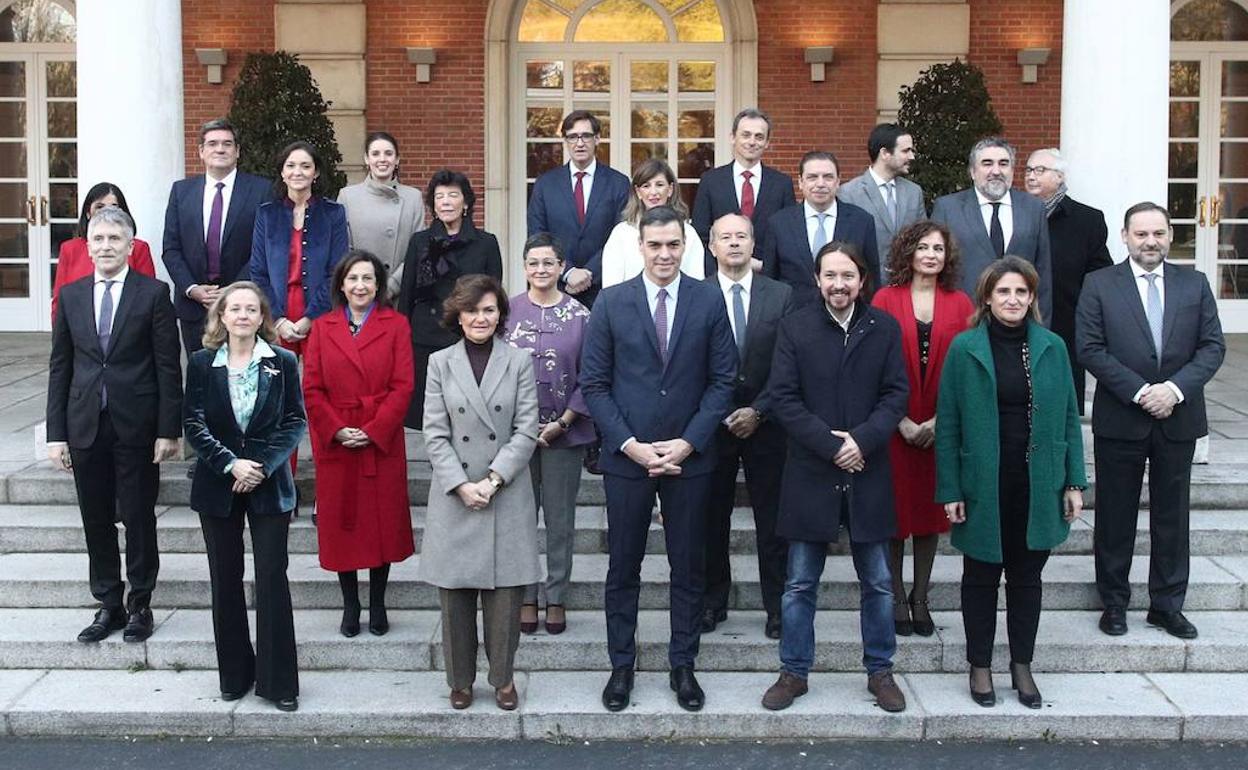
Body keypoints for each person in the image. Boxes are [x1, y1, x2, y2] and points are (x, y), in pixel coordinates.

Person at [581, 205, 738, 714]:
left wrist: (689, 442)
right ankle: (621, 666)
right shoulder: (611, 301)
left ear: (686, 247)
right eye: (655, 245)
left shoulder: (708, 299)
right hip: (628, 458)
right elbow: (594, 384)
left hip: (689, 458)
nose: (664, 254)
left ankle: (682, 665)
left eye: (673, 245)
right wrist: (630, 444)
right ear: (641, 247)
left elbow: (723, 381)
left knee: (688, 567)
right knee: (623, 567)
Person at [760, 242, 909, 714]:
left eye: (847, 276)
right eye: (830, 276)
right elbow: (783, 398)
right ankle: (794, 672)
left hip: (869, 470)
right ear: (817, 279)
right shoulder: (796, 326)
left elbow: (895, 395)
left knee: (879, 583)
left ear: (862, 280)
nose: (839, 285)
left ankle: (880, 672)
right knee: (800, 583)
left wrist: (860, 441)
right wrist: (832, 446)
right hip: (811, 471)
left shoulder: (884, 328)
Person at [935, 256, 1086, 709]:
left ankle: (1022, 664)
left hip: (1037, 481)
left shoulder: (1052, 347)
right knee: (980, 577)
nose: (1013, 299)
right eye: (1003, 291)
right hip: (983, 482)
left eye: (1022, 291)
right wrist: (950, 489)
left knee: (1027, 579)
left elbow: (1069, 417)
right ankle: (979, 666)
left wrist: (1074, 481)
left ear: (1032, 297)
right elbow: (949, 423)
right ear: (987, 297)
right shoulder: (965, 348)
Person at [1077, 202, 1226, 641]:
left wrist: (1173, 390)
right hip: (1122, 416)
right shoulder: (1099, 284)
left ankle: (1167, 606)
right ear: (1125, 236)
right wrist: (1142, 391)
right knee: (1114, 515)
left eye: (1158, 233)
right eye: (1141, 234)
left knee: (1172, 517)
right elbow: (1089, 347)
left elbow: (1212, 347)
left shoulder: (1195, 284)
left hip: (1178, 417)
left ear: (1170, 236)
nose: (1150, 242)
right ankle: (1114, 603)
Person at [45, 207, 182, 644]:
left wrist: (168, 429)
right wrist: (55, 434)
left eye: (114, 239)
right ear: (87, 246)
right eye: (98, 239)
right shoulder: (71, 295)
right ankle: (109, 602)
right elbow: (60, 367)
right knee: (96, 517)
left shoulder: (154, 294)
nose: (105, 246)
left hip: (136, 424)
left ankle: (141, 602)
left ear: (130, 245)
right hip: (85, 423)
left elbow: (167, 366)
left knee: (139, 516)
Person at [183, 281, 305, 712]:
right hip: (218, 485)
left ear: (261, 317)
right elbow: (193, 423)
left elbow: (294, 421)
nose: (242, 315)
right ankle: (234, 675)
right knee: (225, 579)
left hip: (269, 486)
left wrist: (261, 466)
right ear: (221, 316)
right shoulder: (201, 363)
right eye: (234, 308)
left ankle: (279, 682)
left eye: (251, 309)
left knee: (272, 578)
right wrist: (230, 464)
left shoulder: (282, 362)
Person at [421, 274, 541, 712]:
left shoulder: (519, 360)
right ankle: (460, 681)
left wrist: (492, 480)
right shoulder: (439, 362)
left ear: (500, 315)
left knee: (506, 596)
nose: (480, 318)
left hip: (504, 490)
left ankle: (503, 678)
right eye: (472, 310)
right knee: (454, 597)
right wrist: (461, 484)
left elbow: (527, 429)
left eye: (489, 310)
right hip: (455, 492)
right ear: (458, 315)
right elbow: (435, 433)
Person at [302, 250, 415, 638]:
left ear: (378, 285)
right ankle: (350, 604)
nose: (360, 286)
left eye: (368, 278)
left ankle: (378, 603)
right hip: (337, 442)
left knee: (381, 524)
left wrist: (375, 427)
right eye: (353, 279)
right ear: (341, 285)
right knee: (343, 526)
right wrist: (336, 429)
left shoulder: (396, 325)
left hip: (380, 441)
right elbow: (312, 388)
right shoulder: (322, 327)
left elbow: (403, 385)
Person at [871, 220, 973, 638]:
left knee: (931, 515)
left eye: (938, 249)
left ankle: (921, 597)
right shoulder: (884, 298)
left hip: (941, 426)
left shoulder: (961, 302)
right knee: (896, 514)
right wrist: (899, 420)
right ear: (908, 252)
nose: (931, 255)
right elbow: (872, 365)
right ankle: (896, 597)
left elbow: (967, 370)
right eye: (923, 247)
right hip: (893, 424)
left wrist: (939, 422)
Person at [701, 213, 793, 639]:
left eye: (742, 236)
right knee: (711, 519)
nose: (734, 243)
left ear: (754, 244)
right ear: (711, 246)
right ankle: (712, 601)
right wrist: (720, 411)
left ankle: (777, 607)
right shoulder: (695, 294)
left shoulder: (782, 295)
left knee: (773, 522)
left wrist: (759, 410)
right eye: (726, 237)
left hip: (768, 424)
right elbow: (689, 364)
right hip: (712, 425)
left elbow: (790, 363)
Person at [504, 233, 594, 636]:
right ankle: (526, 594)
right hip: (515, 435)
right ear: (524, 268)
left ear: (561, 267)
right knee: (521, 519)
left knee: (560, 520)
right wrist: (521, 424)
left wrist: (565, 421)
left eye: (548, 263)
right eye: (533, 263)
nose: (540, 269)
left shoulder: (581, 316)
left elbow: (593, 373)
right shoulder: (507, 312)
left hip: (565, 433)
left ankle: (556, 596)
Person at [397, 169, 502, 428]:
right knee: (431, 419)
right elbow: (407, 293)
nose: (445, 202)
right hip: (426, 339)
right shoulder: (420, 242)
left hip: (468, 337)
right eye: (439, 196)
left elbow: (494, 295)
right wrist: (402, 339)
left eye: (453, 195)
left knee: (468, 417)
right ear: (433, 204)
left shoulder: (486, 243)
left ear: (465, 203)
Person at [162, 118, 271, 355]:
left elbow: (264, 248)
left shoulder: (261, 190)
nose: (220, 149)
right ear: (201, 151)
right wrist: (191, 288)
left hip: (244, 306)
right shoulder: (181, 191)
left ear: (237, 151)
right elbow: (171, 248)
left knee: (243, 372)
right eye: (212, 144)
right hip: (194, 307)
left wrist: (235, 290)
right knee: (200, 373)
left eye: (227, 144)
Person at [1024, 148, 1112, 413]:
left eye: (1040, 170)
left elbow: (1099, 274)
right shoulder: (1015, 213)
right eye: (1028, 170)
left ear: (1060, 176)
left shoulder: (1088, 220)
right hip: (1018, 316)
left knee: (1062, 404)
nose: (1031, 176)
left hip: (1067, 321)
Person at [931, 137, 1052, 323]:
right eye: (987, 163)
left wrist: (1041, 327)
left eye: (1003, 164)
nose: (996, 171)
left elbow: (1043, 271)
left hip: (1019, 322)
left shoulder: (1033, 208)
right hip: (963, 320)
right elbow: (935, 271)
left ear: (1012, 170)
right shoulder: (948, 208)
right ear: (973, 171)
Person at [249, 140, 349, 359]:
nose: (298, 172)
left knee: (322, 376)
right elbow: (258, 271)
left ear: (316, 173)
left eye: (305, 166)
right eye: (291, 166)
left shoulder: (333, 213)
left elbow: (338, 271)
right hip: (276, 311)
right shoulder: (267, 214)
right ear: (282, 173)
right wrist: (277, 319)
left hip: (322, 310)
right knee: (279, 376)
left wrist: (310, 317)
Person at [526, 110, 631, 308]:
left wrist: (589, 272)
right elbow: (538, 235)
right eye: (573, 137)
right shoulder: (546, 184)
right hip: (557, 288)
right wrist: (568, 272)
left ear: (597, 139)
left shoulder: (618, 183)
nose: (579, 143)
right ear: (565, 141)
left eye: (586, 136)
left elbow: (622, 236)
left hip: (604, 288)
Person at [761, 151, 879, 305]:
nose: (820, 184)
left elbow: (872, 278)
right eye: (812, 177)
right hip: (794, 314)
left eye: (828, 177)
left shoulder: (861, 221)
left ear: (838, 181)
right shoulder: (779, 223)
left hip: (846, 312)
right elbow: (769, 280)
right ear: (800, 182)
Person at [692, 108, 795, 275]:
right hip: (720, 277)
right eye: (746, 135)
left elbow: (787, 236)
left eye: (759, 137)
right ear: (733, 137)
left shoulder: (782, 184)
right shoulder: (711, 181)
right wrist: (716, 271)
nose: (752, 142)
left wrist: (765, 267)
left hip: (768, 279)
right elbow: (700, 234)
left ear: (767, 142)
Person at [52, 182, 156, 325]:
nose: (107, 212)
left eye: (114, 207)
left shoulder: (138, 248)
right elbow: (59, 302)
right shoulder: (69, 249)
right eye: (99, 207)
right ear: (88, 213)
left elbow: (149, 298)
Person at [336, 131, 426, 294]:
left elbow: (418, 250)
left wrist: (391, 286)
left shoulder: (413, 197)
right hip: (360, 292)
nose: (382, 159)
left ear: (397, 160)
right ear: (367, 159)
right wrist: (364, 284)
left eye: (388, 153)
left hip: (399, 293)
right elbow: (344, 248)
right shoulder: (347, 196)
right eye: (375, 154)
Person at [601, 158, 704, 287]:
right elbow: (611, 288)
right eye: (646, 186)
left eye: (659, 185)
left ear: (670, 189)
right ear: (638, 192)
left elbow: (696, 284)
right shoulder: (621, 234)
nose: (653, 192)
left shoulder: (688, 233)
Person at [838, 123, 927, 273]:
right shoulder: (849, 193)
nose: (912, 157)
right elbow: (845, 244)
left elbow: (923, 236)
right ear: (885, 153)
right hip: (868, 280)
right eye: (906, 151)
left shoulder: (914, 192)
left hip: (907, 279)